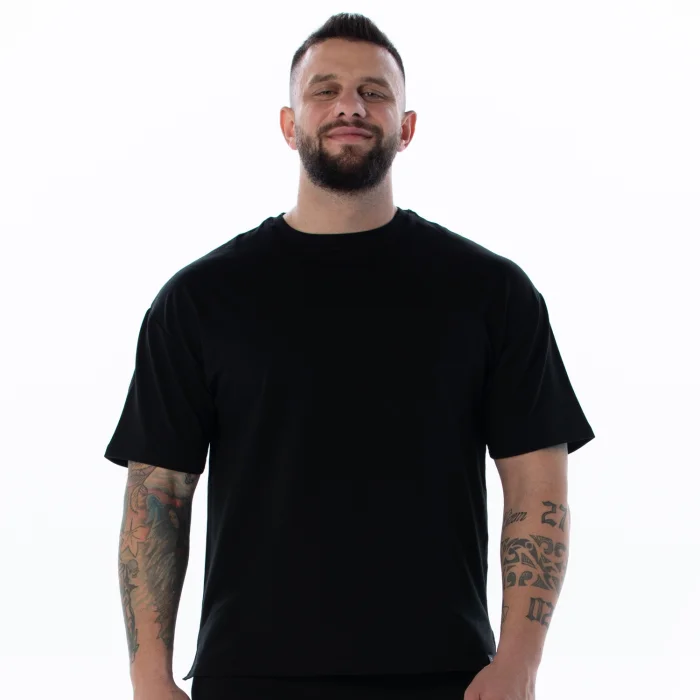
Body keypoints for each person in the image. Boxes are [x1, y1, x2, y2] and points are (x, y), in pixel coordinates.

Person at [105, 12, 595, 700]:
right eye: (325, 90)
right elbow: (158, 493)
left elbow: (536, 481)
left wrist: (519, 662)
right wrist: (148, 677)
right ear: (288, 124)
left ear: (406, 127)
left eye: (374, 92)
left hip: (444, 674)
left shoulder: (491, 292)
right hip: (250, 676)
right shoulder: (200, 299)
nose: (351, 107)